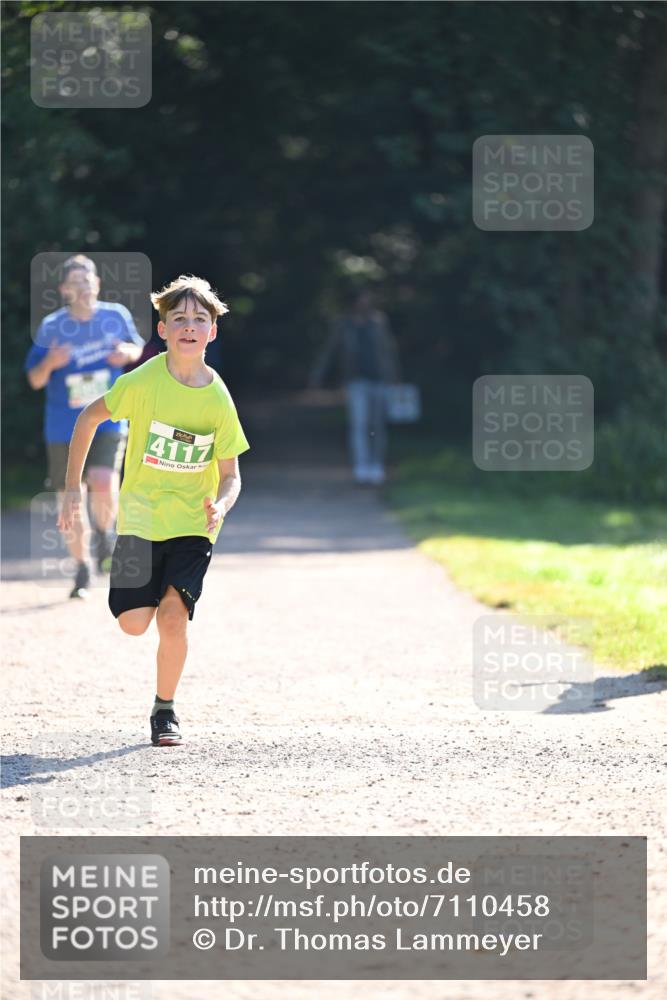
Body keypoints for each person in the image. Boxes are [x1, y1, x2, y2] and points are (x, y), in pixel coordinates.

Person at [58, 275, 250, 747]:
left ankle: (165, 710)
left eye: (199, 319)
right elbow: (88, 417)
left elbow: (231, 474)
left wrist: (221, 504)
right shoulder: (143, 380)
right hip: (142, 518)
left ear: (212, 332)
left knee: (172, 616)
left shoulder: (218, 397)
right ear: (162, 330)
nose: (189, 326)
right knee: (133, 623)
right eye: (178, 318)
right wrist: (69, 492)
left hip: (192, 523)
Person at [25, 254, 145, 597]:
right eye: (75, 281)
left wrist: (127, 352)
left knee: (104, 481)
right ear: (64, 289)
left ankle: (106, 534)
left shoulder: (115, 316)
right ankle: (81, 569)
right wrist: (50, 361)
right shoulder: (51, 326)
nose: (83, 285)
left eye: (88, 279)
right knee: (71, 499)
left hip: (107, 417)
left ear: (97, 283)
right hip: (63, 425)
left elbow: (137, 348)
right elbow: (34, 379)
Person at [309, 290, 401, 485]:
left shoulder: (379, 322)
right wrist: (318, 375)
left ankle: (376, 466)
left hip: (379, 380)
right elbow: (330, 351)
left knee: (377, 425)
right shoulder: (344, 324)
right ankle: (361, 467)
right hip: (356, 382)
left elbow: (388, 350)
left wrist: (394, 376)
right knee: (359, 425)